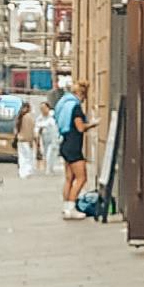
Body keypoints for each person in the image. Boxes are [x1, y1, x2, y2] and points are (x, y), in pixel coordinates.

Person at [55, 82, 89, 210]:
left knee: (69, 178)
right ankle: (71, 207)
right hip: (74, 146)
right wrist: (92, 124)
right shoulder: (75, 107)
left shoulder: (63, 104)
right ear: (80, 93)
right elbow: (80, 128)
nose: (85, 98)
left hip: (65, 143)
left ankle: (66, 207)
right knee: (82, 178)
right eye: (84, 95)